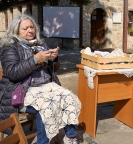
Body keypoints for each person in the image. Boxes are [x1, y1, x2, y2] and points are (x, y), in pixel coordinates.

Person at [0, 14, 81, 144]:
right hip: (22, 90)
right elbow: (12, 72)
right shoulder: (10, 46)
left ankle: (71, 137)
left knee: (69, 97)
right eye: (25, 28)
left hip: (46, 86)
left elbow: (53, 69)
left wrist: (54, 59)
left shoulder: (40, 43)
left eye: (32, 27)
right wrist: (35, 59)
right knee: (48, 105)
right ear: (16, 31)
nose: (30, 30)